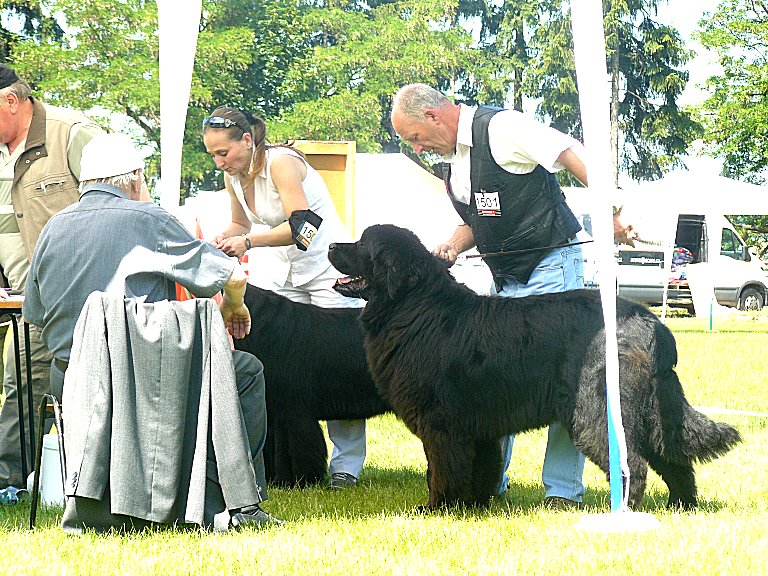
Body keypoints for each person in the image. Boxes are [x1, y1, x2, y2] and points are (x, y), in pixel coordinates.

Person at [391, 83, 633, 509]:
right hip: (505, 278)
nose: (418, 147)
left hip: (551, 263)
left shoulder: (500, 127)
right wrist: (452, 244)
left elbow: (567, 151)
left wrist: (610, 210)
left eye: (414, 137)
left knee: (567, 378)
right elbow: (480, 220)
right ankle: (490, 485)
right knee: (494, 381)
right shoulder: (453, 163)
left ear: (432, 116)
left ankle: (562, 492)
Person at [22, 132, 280, 530]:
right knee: (245, 372)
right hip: (143, 380)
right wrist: (235, 305)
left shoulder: (53, 227)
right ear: (134, 178)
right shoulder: (150, 219)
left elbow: (36, 313)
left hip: (71, 378)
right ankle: (240, 502)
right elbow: (229, 273)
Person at [202, 107, 366, 489]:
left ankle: (347, 466)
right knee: (279, 367)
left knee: (342, 361)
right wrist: (216, 241)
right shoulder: (234, 178)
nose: (219, 161)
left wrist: (246, 242)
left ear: (247, 140)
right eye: (212, 154)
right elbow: (241, 223)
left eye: (223, 152)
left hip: (326, 268)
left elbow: (305, 228)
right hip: (282, 272)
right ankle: (283, 461)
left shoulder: (282, 163)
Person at [0, 63, 102, 491]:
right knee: (20, 386)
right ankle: (18, 481)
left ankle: (18, 481)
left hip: (78, 297)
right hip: (19, 298)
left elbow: (127, 200)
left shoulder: (74, 133)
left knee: (34, 388)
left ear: (10, 100)